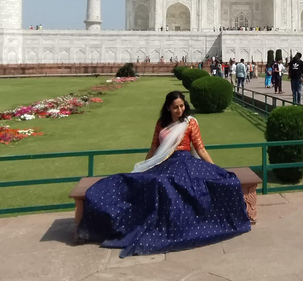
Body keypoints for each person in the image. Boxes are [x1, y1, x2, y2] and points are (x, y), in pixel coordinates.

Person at [78, 91, 251, 257]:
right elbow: (154, 147)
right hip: (165, 163)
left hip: (186, 163)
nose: (180, 110)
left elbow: (200, 148)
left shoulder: (190, 122)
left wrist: (215, 168)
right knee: (151, 181)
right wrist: (144, 166)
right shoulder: (161, 123)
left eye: (182, 106)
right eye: (176, 107)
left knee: (182, 183)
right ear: (168, 107)